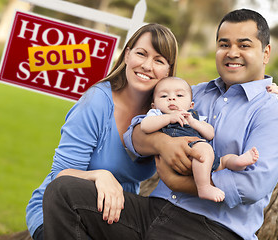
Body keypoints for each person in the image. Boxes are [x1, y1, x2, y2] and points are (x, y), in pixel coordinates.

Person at [42, 10, 278, 240]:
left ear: (266, 52)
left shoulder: (276, 114)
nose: (232, 52)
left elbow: (251, 186)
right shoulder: (192, 93)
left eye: (244, 45)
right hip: (153, 212)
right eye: (224, 44)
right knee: (64, 192)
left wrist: (178, 182)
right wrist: (162, 143)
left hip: (212, 229)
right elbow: (134, 134)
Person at [25, 23, 179, 240]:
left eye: (159, 60)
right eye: (141, 54)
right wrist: (100, 175)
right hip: (59, 211)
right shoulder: (96, 101)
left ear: (169, 71)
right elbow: (61, 175)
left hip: (113, 217)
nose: (147, 65)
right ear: (127, 54)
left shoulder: (163, 116)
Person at [141, 76, 259, 202]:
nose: (172, 98)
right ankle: (204, 187)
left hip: (203, 160)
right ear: (153, 105)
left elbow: (210, 133)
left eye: (179, 95)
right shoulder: (157, 114)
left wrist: (193, 122)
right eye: (164, 96)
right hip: (184, 155)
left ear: (191, 105)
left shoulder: (192, 116)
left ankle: (237, 162)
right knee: (203, 148)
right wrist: (169, 118)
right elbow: (145, 126)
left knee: (223, 160)